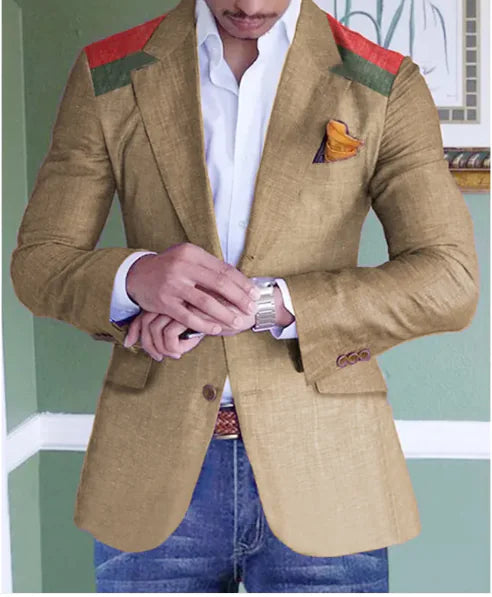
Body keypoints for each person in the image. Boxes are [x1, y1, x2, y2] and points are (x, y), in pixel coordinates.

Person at [10, 0, 479, 592]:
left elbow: (449, 279)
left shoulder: (384, 83)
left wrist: (269, 305)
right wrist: (138, 279)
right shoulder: (109, 72)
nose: (250, 6)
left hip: (329, 469)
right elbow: (39, 263)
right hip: (149, 469)